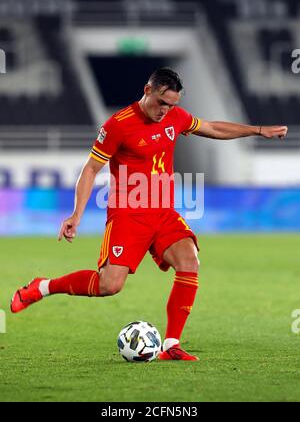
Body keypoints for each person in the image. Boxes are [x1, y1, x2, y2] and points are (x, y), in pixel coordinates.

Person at [10, 68, 288, 361]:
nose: (165, 111)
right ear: (147, 90)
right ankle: (42, 287)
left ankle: (171, 345)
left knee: (189, 260)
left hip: (163, 213)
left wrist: (258, 130)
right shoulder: (118, 125)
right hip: (128, 216)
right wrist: (76, 214)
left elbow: (213, 128)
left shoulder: (175, 117)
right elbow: (91, 169)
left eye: (171, 105)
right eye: (161, 103)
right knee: (109, 286)